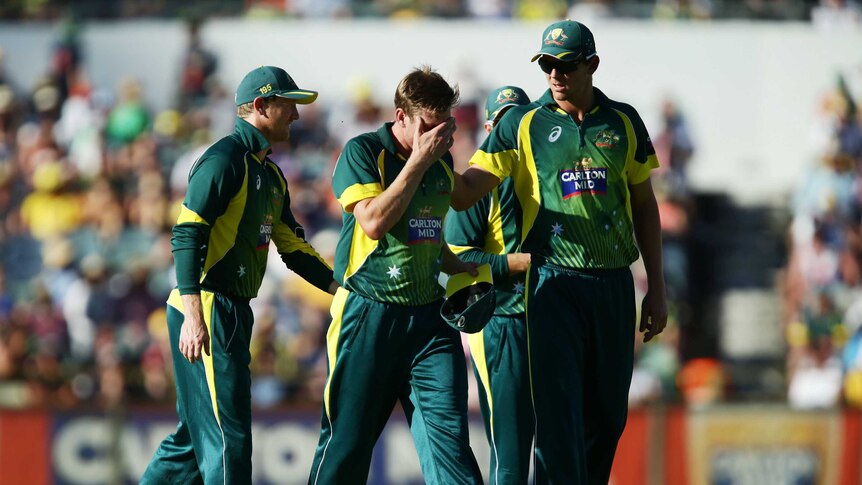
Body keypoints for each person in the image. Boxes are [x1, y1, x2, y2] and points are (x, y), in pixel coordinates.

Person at [452, 20, 669, 484]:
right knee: (558, 416)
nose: (554, 74)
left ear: (591, 64)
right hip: (552, 285)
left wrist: (658, 288)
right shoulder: (523, 123)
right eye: (546, 64)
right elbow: (468, 191)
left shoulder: (624, 121)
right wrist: (423, 164)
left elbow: (645, 205)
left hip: (613, 284)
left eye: (564, 64)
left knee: (609, 416)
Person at [141, 65, 338, 484]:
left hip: (228, 308)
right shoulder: (223, 160)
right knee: (230, 439)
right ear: (262, 106)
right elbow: (186, 234)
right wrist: (194, 313)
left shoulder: (270, 173)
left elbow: (294, 248)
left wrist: (340, 290)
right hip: (209, 305)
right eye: (289, 106)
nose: (297, 116)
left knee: (192, 442)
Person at [308, 66, 483, 485]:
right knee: (346, 447)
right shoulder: (365, 151)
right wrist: (418, 163)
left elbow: (451, 206)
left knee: (450, 446)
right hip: (368, 312)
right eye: (426, 125)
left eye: (444, 125)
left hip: (428, 319)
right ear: (400, 116)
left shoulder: (439, 161)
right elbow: (373, 222)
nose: (436, 136)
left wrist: (503, 145)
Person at [444, 85, 534, 485]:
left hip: (552, 315)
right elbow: (455, 260)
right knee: (511, 448)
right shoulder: (479, 184)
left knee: (559, 441)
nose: (510, 130)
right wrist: (513, 264)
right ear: (489, 127)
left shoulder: (543, 176)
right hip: (501, 319)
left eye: (519, 120)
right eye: (503, 122)